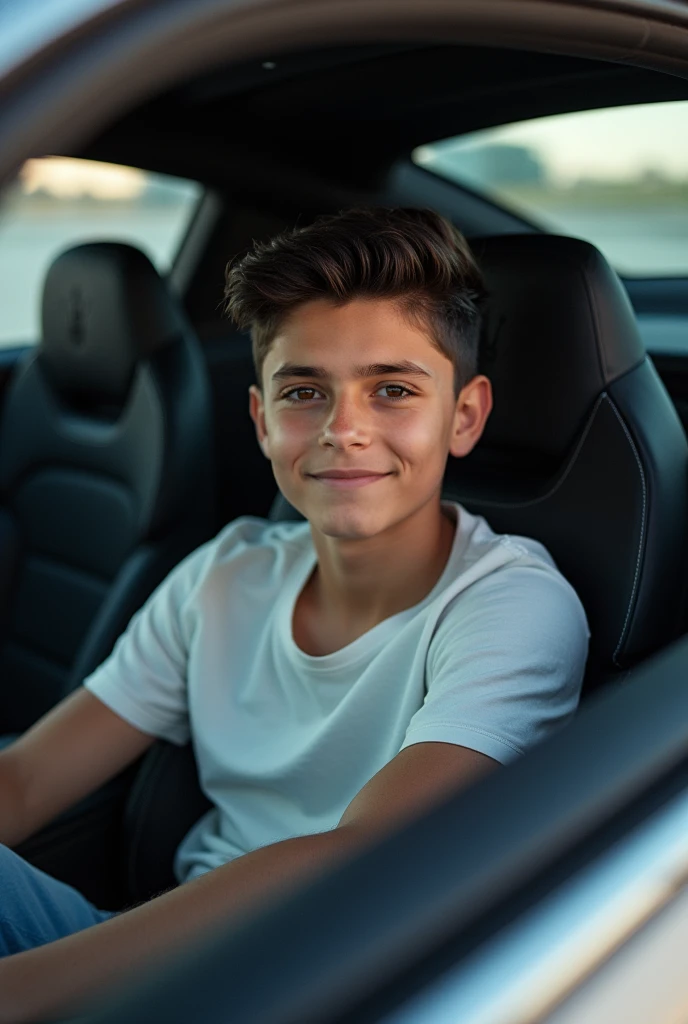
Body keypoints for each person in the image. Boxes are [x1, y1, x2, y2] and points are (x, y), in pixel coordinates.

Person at [0, 206, 589, 1021]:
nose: (345, 431)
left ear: (464, 416)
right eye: (305, 392)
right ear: (262, 422)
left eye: (392, 390)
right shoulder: (225, 574)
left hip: (311, 978)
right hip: (145, 944)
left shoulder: (511, 604)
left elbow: (363, 856)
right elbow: (25, 779)